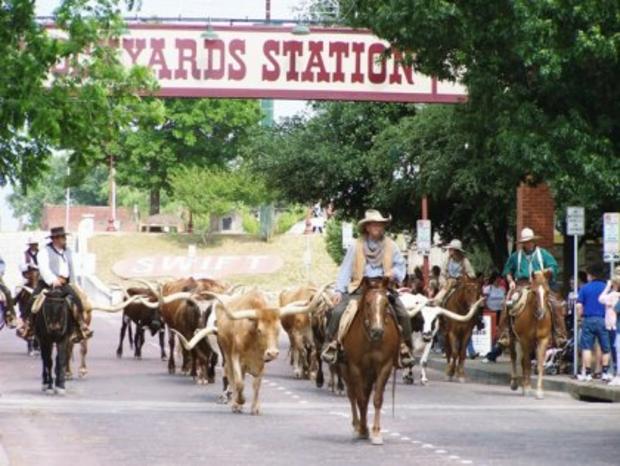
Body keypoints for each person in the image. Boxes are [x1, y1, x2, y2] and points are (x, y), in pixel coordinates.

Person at [321, 209, 414, 368]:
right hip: (360, 288)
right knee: (337, 312)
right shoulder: (356, 246)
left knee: (404, 315)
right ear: (367, 227)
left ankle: (405, 348)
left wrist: (395, 273)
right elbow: (346, 269)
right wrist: (339, 291)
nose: (378, 227)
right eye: (374, 224)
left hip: (384, 288)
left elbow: (401, 266)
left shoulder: (392, 245)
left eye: (380, 224)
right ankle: (332, 344)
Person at [18, 226, 93, 343]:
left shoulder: (68, 251)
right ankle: (27, 325)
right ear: (55, 239)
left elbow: (72, 267)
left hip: (65, 283)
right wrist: (53, 279)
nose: (65, 239)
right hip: (47, 283)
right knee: (33, 300)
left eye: (64, 237)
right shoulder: (44, 252)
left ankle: (81, 327)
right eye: (62, 237)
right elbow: (43, 268)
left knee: (77, 300)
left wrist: (72, 282)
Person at [497, 227, 566, 348]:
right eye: (525, 242)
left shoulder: (543, 254)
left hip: (539, 285)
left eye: (529, 241)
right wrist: (511, 280)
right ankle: (505, 334)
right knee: (507, 303)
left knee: (556, 304)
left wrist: (547, 271)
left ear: (533, 241)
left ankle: (559, 334)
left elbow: (553, 267)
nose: (527, 244)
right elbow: (507, 270)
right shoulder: (515, 256)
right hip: (521, 285)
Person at [576, 263, 612, 382]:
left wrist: (579, 319)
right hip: (603, 320)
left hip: (588, 319)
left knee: (587, 347)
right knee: (605, 348)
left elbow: (579, 306)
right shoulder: (606, 287)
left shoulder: (585, 288)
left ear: (591, 275)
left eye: (587, 274)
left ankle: (587, 373)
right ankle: (605, 373)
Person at [431, 239, 476, 305]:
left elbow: (472, 275)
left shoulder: (464, 261)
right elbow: (442, 274)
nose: (449, 250)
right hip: (448, 284)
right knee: (440, 296)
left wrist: (462, 277)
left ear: (456, 251)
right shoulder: (447, 260)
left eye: (451, 249)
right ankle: (436, 304)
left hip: (461, 285)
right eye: (450, 249)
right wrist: (444, 282)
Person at [598, 272, 620, 383]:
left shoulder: (613, 295)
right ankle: (615, 369)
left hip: (612, 325)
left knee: (614, 348)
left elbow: (601, 299)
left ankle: (616, 370)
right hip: (614, 324)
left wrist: (607, 287)